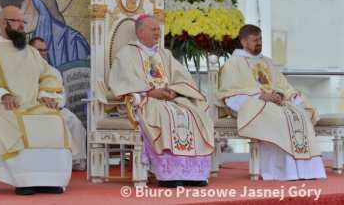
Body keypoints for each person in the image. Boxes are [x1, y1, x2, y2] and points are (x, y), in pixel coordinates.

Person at [0, 5, 78, 195]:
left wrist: (47, 95)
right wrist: (3, 94)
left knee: (55, 120)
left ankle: (49, 180)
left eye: (23, 22)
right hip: (3, 106)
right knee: (20, 123)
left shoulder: (31, 52)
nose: (22, 27)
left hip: (33, 104)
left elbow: (48, 75)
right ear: (4, 23)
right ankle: (24, 180)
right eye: (17, 22)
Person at [108, 14, 214, 188]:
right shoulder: (127, 54)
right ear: (141, 32)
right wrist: (151, 92)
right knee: (165, 115)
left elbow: (182, 77)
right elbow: (123, 80)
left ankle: (193, 174)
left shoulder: (164, 54)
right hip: (145, 100)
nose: (158, 33)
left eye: (158, 29)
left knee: (194, 114)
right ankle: (169, 174)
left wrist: (174, 90)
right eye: (153, 29)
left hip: (170, 99)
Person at [217, 24, 326, 181]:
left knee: (299, 113)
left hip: (275, 103)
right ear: (243, 42)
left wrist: (280, 95)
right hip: (252, 104)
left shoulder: (267, 62)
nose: (259, 43)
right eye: (255, 40)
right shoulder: (233, 64)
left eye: (260, 39)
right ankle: (281, 170)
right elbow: (230, 93)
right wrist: (261, 96)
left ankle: (305, 170)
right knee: (278, 117)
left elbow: (283, 85)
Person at [29, 37, 87, 170]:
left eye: (45, 50)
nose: (43, 53)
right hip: (33, 109)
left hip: (55, 109)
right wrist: (41, 100)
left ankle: (75, 161)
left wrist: (56, 103)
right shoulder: (24, 70)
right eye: (39, 50)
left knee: (74, 122)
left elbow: (62, 94)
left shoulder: (53, 71)